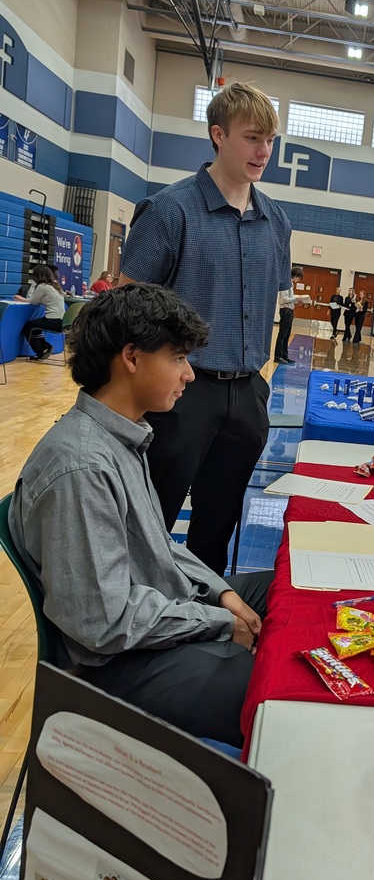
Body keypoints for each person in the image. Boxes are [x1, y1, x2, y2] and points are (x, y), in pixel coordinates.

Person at [9, 284, 274, 747]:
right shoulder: (82, 466)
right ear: (131, 358)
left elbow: (160, 549)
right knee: (277, 693)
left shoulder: (124, 436)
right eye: (177, 358)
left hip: (152, 613)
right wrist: (214, 621)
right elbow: (103, 623)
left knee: (287, 590)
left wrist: (222, 592)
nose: (190, 375)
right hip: (118, 664)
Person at [119, 82, 292, 576]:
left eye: (271, 140)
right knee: (152, 524)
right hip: (179, 394)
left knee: (217, 529)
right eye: (253, 138)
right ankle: (139, 628)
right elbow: (126, 308)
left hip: (247, 395)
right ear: (218, 135)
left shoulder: (276, 222)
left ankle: (204, 623)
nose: (264, 151)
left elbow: (270, 303)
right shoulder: (170, 211)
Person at [13, 264, 65, 360]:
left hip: (53, 321)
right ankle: (45, 348)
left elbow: (33, 302)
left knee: (28, 327)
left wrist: (20, 298)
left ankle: (41, 350)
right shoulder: (55, 286)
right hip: (61, 321)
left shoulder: (42, 286)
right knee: (36, 327)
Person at [274, 264, 311, 365]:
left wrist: (297, 301)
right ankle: (278, 356)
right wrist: (296, 298)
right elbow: (283, 299)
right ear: (295, 275)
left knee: (287, 334)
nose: (299, 280)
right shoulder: (285, 284)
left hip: (290, 310)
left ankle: (284, 355)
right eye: (299, 277)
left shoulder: (290, 284)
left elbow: (290, 299)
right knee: (282, 334)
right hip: (285, 310)